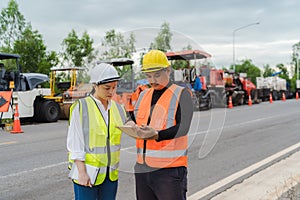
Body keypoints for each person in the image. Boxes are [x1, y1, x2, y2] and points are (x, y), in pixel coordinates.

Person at [127, 50, 194, 200]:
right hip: (142, 170)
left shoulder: (182, 94)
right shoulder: (143, 94)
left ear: (168, 70)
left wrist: (157, 135)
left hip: (169, 171)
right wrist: (130, 123)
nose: (152, 80)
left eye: (157, 75)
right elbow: (132, 117)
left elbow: (183, 128)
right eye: (148, 76)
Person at [67, 63, 126, 200]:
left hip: (109, 175)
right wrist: (82, 172)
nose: (111, 92)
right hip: (87, 173)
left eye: (114, 87)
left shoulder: (118, 109)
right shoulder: (81, 107)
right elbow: (75, 143)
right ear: (95, 85)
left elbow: (130, 128)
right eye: (107, 88)